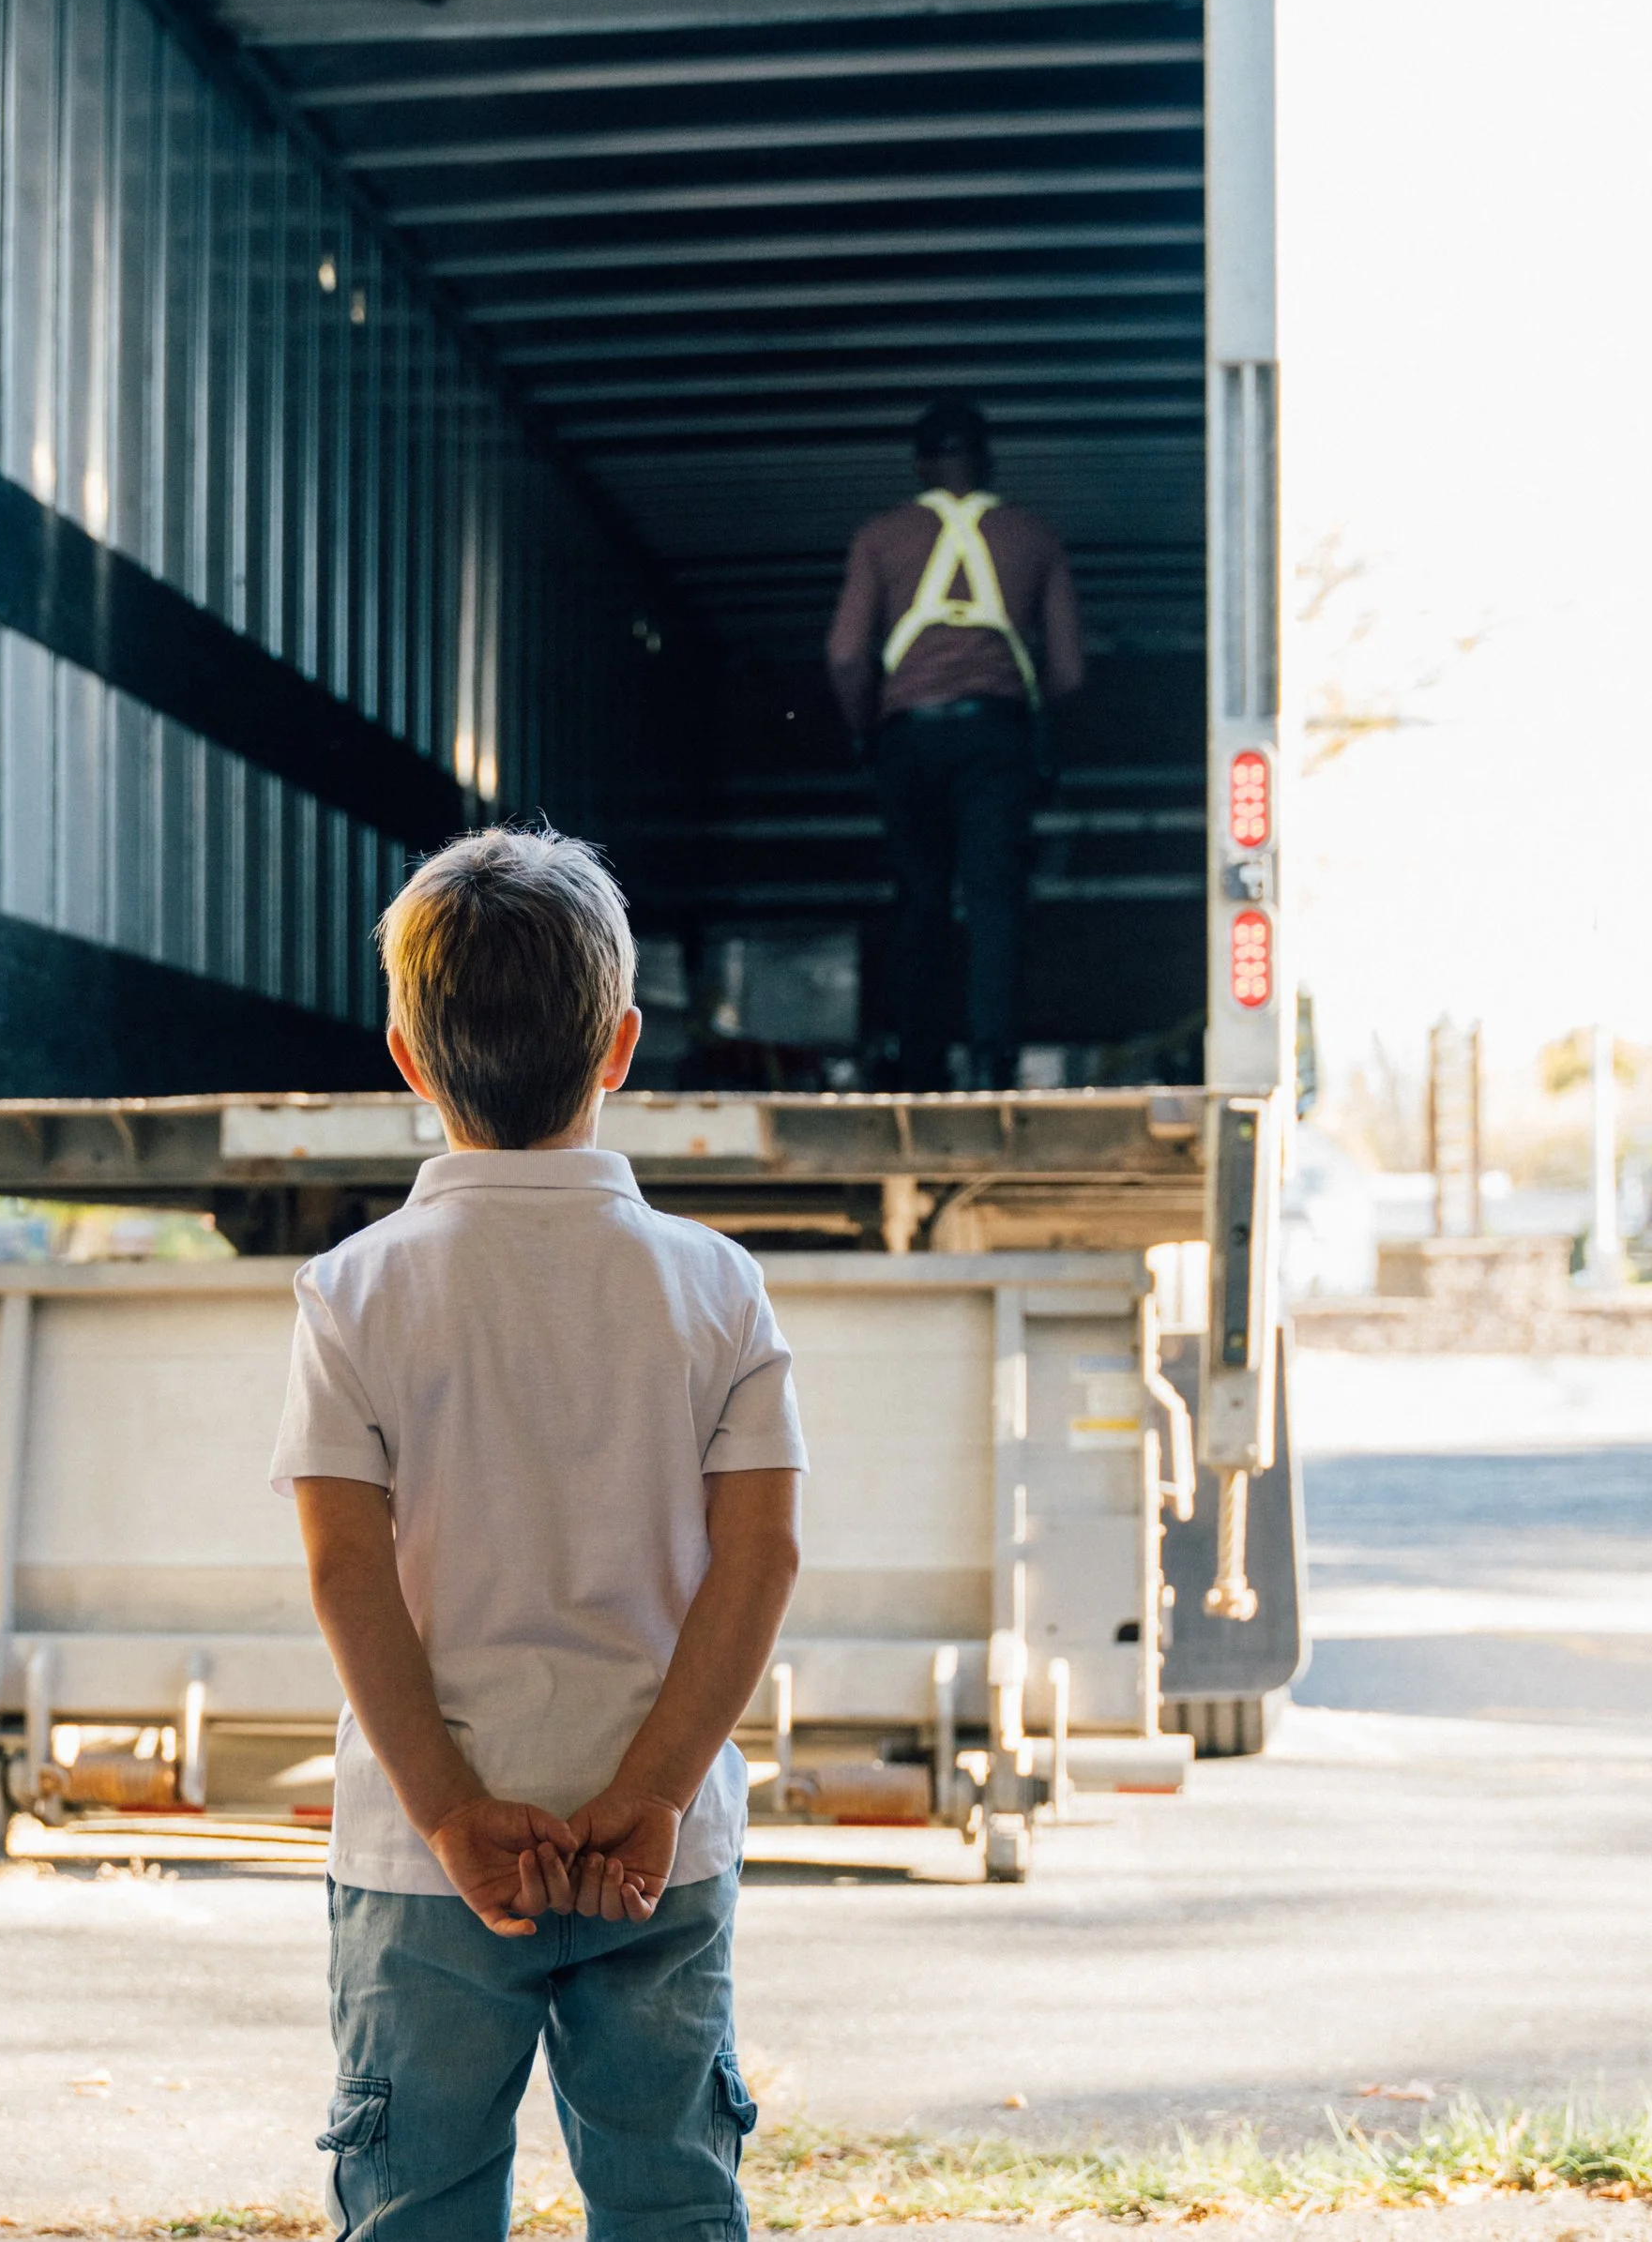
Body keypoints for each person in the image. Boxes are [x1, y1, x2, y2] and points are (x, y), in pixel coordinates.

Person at [269, 826, 807, 2242]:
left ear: (405, 1053)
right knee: (673, 2202)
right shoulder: (718, 1287)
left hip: (422, 1857)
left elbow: (346, 1571)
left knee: (420, 2208)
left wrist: (450, 1809)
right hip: (658, 1847)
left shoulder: (354, 1293)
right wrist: (656, 1784)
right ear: (621, 1045)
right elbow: (762, 1559)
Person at [825, 396, 1084, 1090]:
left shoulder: (881, 538)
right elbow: (1068, 670)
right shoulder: (1034, 537)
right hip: (996, 735)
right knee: (995, 898)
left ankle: (920, 1064)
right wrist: (1027, 713)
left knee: (922, 901)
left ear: (919, 466)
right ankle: (992, 1060)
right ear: (988, 462)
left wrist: (864, 730)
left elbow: (848, 655)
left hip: (908, 738)